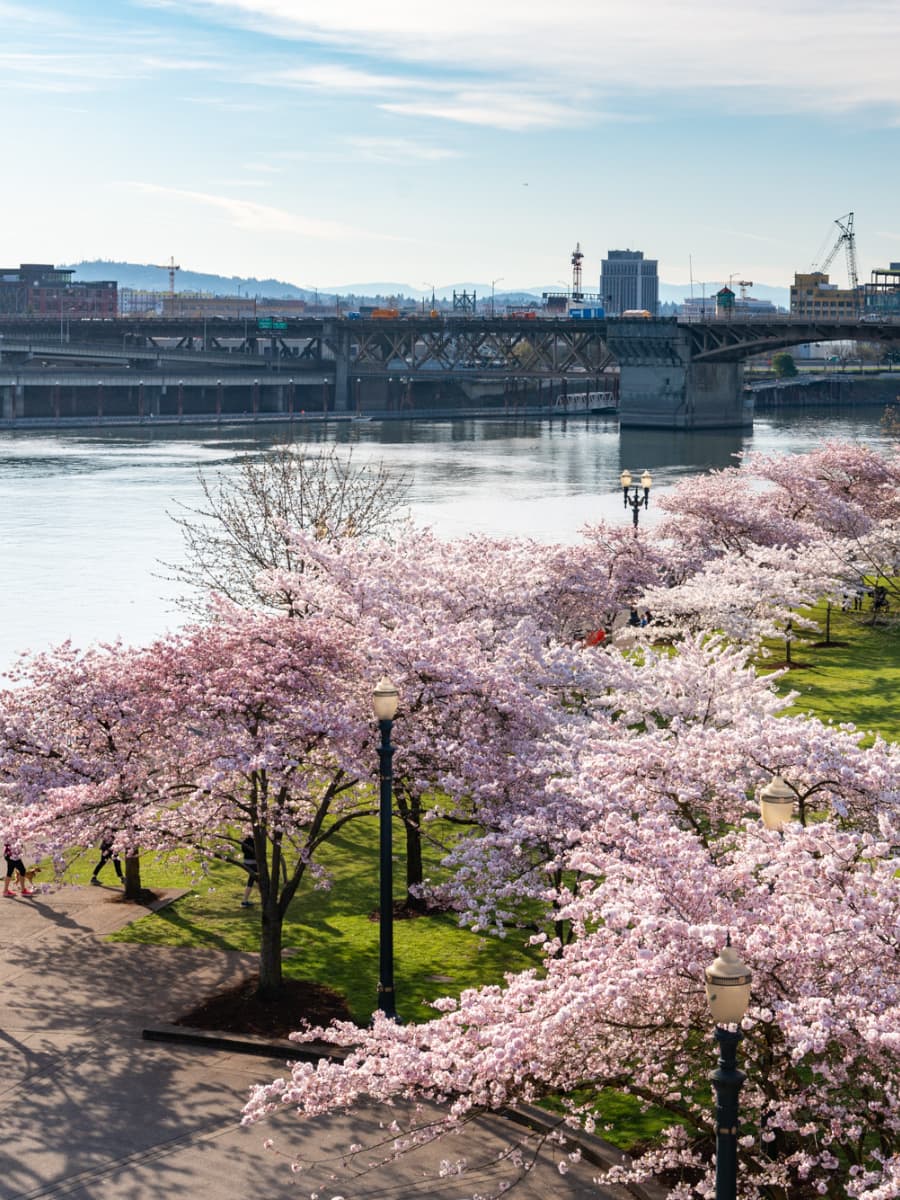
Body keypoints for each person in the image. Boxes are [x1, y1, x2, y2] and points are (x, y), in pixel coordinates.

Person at [240, 833, 258, 908]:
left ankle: (267, 898)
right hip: (254, 863)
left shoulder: (244, 841)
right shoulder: (255, 842)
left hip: (246, 862)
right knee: (252, 880)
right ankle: (244, 901)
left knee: (257, 879)